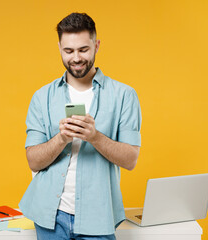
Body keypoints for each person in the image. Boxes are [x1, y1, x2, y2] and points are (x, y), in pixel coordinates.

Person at [19, 12, 142, 240]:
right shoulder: (41, 97)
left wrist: (95, 137)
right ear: (59, 48)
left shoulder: (124, 95)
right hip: (50, 216)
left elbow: (130, 160)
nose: (76, 58)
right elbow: (33, 160)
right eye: (68, 51)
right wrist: (61, 138)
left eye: (83, 50)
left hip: (99, 215)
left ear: (96, 45)